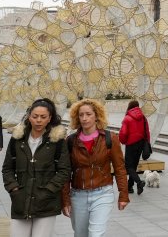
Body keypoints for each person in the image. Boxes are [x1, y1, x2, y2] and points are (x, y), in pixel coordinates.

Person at [2, 98, 70, 237]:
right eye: (35, 116)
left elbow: (64, 170)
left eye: (43, 117)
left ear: (49, 118)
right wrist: (13, 188)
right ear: (29, 116)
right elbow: (7, 168)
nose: (38, 120)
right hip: (21, 200)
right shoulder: (17, 137)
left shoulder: (56, 140)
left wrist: (49, 190)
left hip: (46, 201)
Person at [61, 98, 128, 237]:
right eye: (81, 115)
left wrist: (123, 194)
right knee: (80, 234)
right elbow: (65, 173)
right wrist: (65, 200)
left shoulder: (110, 138)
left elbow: (120, 168)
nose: (84, 118)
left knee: (96, 234)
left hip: (103, 193)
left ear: (97, 115)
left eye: (88, 114)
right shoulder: (71, 141)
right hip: (78, 195)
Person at [116, 99, 151, 196]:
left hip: (131, 144)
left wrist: (123, 141)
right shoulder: (143, 117)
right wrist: (147, 143)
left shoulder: (127, 118)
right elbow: (147, 131)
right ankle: (129, 187)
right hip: (140, 144)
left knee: (128, 166)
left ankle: (139, 183)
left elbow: (123, 133)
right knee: (134, 166)